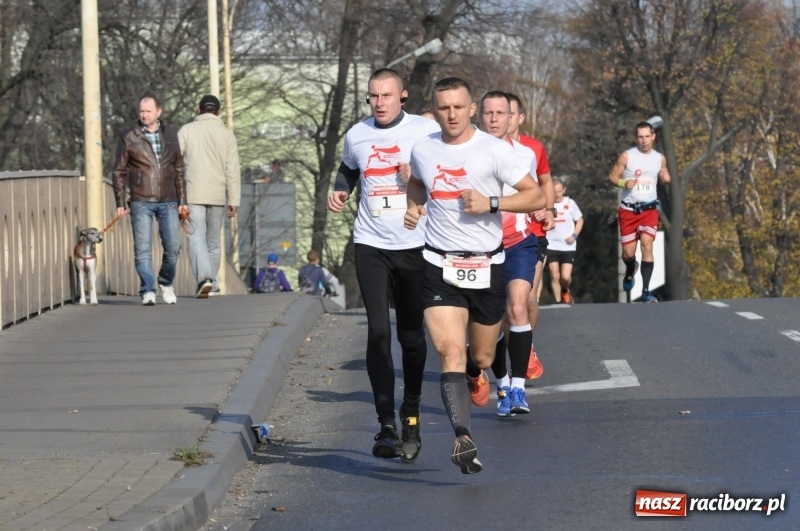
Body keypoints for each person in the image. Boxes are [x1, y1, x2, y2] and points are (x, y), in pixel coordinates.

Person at [405, 77, 544, 473]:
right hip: (438, 264)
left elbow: (536, 196)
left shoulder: (494, 150)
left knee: (480, 356)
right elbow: (416, 182)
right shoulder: (425, 149)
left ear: (471, 110)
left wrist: (492, 202)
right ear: (435, 109)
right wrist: (414, 207)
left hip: (487, 264)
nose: (451, 114)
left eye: (458, 107)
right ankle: (462, 437)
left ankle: (475, 371)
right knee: (449, 349)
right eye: (443, 107)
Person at [327, 68, 440, 464]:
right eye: (373, 96)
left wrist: (418, 178)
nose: (379, 102)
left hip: (415, 245)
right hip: (371, 243)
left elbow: (443, 180)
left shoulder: (425, 131)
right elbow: (348, 170)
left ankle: (411, 413)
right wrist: (341, 191)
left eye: (387, 95)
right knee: (378, 332)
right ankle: (386, 424)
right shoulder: (356, 134)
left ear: (402, 97)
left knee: (410, 337)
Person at [468, 90, 540, 417]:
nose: (495, 119)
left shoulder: (524, 155)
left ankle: (520, 390)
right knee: (491, 322)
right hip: (480, 248)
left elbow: (535, 196)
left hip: (518, 242)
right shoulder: (464, 153)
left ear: (512, 118)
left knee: (517, 306)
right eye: (489, 113)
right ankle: (502, 382)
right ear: (479, 116)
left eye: (502, 113)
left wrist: (543, 210)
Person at [112, 93, 188, 306]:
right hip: (140, 199)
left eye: (148, 111)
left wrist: (183, 199)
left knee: (173, 246)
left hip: (169, 199)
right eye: (141, 111)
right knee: (143, 247)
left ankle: (166, 281)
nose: (144, 115)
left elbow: (179, 169)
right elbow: (118, 171)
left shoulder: (171, 135)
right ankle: (147, 290)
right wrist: (120, 202)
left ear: (158, 112)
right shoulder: (130, 136)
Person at [506, 93, 554, 378]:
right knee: (504, 307)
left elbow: (545, 179)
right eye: (498, 113)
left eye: (510, 113)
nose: (503, 118)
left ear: (520, 118)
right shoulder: (484, 148)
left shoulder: (533, 148)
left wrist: (546, 209)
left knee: (526, 300)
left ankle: (526, 347)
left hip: (532, 233)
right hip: (499, 235)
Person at [177, 94, 241, 299]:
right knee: (213, 242)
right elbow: (232, 170)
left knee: (196, 238)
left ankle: (204, 278)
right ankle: (211, 283)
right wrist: (234, 200)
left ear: (199, 110)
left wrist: (176, 194)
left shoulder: (186, 131)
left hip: (193, 193)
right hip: (217, 195)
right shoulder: (227, 135)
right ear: (219, 111)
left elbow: (176, 164)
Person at [608, 121, 671, 302]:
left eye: (647, 137)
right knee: (628, 253)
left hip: (649, 210)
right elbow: (612, 176)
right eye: (640, 137)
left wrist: (666, 178)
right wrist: (623, 183)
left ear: (653, 137)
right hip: (628, 211)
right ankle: (630, 268)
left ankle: (645, 291)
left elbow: (665, 175)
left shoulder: (659, 158)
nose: (644, 140)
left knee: (647, 246)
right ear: (637, 138)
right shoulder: (627, 156)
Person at [546, 179, 583, 304]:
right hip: (551, 244)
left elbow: (580, 220)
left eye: (559, 191)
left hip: (568, 245)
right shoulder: (547, 204)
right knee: (554, 274)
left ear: (564, 190)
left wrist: (574, 235)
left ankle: (565, 290)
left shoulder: (570, 203)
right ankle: (558, 302)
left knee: (565, 277)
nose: (557, 194)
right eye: (554, 191)